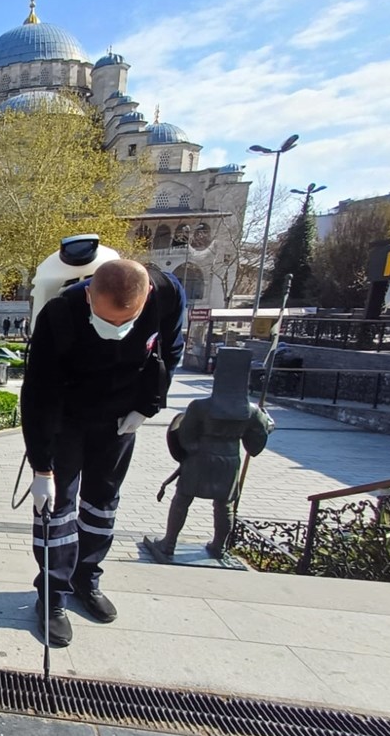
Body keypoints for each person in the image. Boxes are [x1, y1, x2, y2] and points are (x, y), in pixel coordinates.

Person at [21, 248, 185, 647]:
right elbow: (38, 393)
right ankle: (53, 596)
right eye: (106, 320)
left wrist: (145, 409)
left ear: (144, 300)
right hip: (68, 418)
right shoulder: (60, 313)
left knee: (102, 502)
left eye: (125, 321)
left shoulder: (166, 293)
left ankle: (85, 579)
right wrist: (42, 469)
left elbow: (171, 352)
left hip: (119, 419)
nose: (114, 329)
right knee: (57, 512)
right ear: (90, 294)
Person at [145, 348, 274, 562]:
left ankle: (169, 543)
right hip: (230, 459)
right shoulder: (253, 412)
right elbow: (255, 447)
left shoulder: (200, 407)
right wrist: (266, 428)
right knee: (224, 506)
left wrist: (191, 452)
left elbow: (184, 436)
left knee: (182, 499)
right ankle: (218, 547)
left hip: (199, 457)